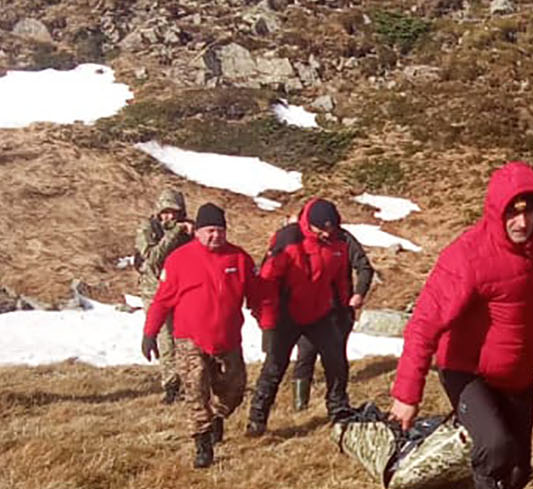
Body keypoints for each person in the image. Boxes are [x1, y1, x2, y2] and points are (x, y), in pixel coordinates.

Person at [389, 161, 533, 489]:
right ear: (496, 210)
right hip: (467, 370)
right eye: (513, 210)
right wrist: (406, 393)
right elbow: (423, 325)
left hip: (518, 373)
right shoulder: (467, 257)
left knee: (520, 469)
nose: (522, 221)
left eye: (530, 210)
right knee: (495, 446)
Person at [141, 203, 262, 469]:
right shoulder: (179, 260)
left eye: (219, 231)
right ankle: (202, 443)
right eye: (208, 231)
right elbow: (162, 301)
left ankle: (218, 417)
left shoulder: (240, 259)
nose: (214, 236)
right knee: (195, 390)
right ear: (197, 231)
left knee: (235, 390)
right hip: (189, 339)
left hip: (228, 338)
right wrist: (150, 333)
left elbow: (258, 297)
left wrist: (268, 325)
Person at [247, 198, 355, 434]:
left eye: (331, 228)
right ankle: (257, 418)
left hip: (320, 312)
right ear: (311, 224)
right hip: (286, 314)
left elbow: (341, 281)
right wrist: (268, 322)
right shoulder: (288, 239)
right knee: (275, 366)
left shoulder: (339, 242)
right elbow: (267, 282)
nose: (327, 234)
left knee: (336, 361)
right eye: (322, 229)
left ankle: (339, 411)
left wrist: (344, 309)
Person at [289, 228, 374, 411]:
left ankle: (336, 404)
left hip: (338, 311)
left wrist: (359, 293)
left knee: (335, 358)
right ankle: (299, 406)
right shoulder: (299, 239)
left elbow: (364, 266)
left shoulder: (344, 238)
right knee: (305, 353)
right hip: (309, 310)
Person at [134, 188, 192, 403]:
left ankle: (189, 380)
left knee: (184, 337)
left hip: (181, 289)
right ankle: (171, 385)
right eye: (165, 212)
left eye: (174, 212)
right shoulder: (148, 228)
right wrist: (175, 233)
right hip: (155, 290)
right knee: (165, 338)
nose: (169, 217)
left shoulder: (188, 230)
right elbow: (152, 258)